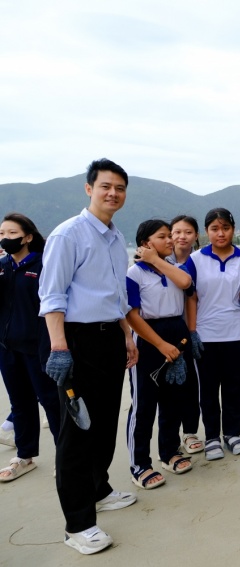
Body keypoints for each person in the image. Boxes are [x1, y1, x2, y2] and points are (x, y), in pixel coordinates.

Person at [39, 158, 140, 555]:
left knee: (102, 425)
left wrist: (127, 336)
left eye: (119, 187)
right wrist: (60, 348)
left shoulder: (115, 236)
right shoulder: (69, 235)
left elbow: (116, 296)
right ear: (88, 189)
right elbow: (52, 297)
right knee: (77, 433)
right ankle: (78, 524)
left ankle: (99, 489)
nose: (113, 193)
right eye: (105, 186)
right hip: (76, 343)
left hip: (109, 340)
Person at [125, 220, 194, 490]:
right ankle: (139, 464)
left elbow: (186, 283)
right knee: (144, 404)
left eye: (170, 236)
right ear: (145, 243)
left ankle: (169, 452)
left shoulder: (175, 268)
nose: (170, 240)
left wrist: (157, 260)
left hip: (177, 330)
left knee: (174, 398)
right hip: (148, 337)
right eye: (162, 237)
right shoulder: (134, 273)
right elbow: (131, 315)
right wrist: (160, 344)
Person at [183, 208, 240, 460]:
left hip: (235, 334)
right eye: (214, 229)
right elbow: (191, 298)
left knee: (234, 387)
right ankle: (212, 436)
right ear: (206, 232)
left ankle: (233, 433)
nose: (220, 233)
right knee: (209, 390)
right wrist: (192, 332)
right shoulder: (195, 260)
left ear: (233, 229)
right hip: (205, 335)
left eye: (225, 228)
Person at [0, 213, 60, 482]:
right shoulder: (3, 267)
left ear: (28, 237)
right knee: (20, 403)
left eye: (11, 233)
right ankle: (24, 456)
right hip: (6, 347)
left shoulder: (43, 264)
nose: (6, 238)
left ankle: (65, 455)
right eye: (2, 234)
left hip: (38, 348)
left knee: (52, 402)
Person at [168, 215, 204, 455]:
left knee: (192, 383)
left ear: (196, 236)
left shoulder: (200, 261)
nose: (182, 236)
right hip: (167, 330)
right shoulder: (159, 261)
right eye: (177, 232)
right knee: (170, 386)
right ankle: (169, 437)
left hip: (195, 329)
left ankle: (190, 432)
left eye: (188, 232)